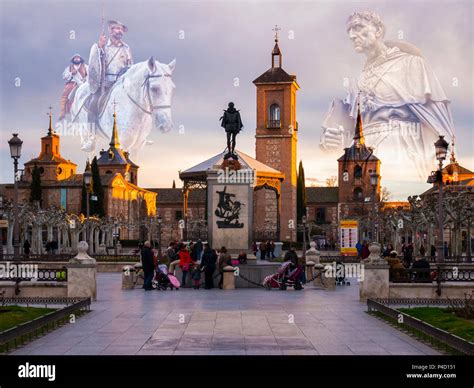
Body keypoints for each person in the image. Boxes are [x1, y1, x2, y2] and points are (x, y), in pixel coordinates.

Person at [87, 20, 133, 123]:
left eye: (121, 29)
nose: (120, 31)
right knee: (94, 103)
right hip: (105, 83)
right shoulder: (103, 46)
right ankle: (92, 131)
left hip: (121, 84)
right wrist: (99, 46)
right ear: (111, 31)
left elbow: (130, 66)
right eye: (117, 28)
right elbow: (95, 62)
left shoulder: (126, 48)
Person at [59, 54, 88, 119]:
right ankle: (62, 112)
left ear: (80, 59)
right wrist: (71, 73)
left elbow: (89, 75)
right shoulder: (69, 68)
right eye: (75, 58)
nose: (77, 59)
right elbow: (64, 76)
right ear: (73, 60)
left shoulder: (85, 67)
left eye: (78, 58)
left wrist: (85, 80)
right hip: (72, 83)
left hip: (83, 83)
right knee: (65, 95)